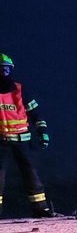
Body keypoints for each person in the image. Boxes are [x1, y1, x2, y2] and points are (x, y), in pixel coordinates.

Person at [0, 53, 54, 218]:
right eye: (1, 69)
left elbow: (35, 113)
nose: (4, 72)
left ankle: (41, 210)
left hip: (23, 140)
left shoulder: (20, 89)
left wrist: (42, 132)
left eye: (6, 68)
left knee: (31, 174)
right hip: (1, 142)